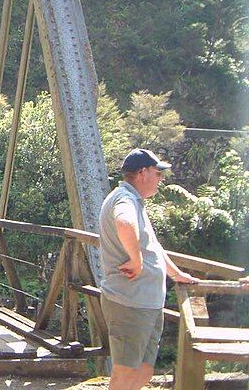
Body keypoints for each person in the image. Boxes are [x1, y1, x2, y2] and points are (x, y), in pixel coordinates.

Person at [99, 148, 200, 390]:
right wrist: (135, 259)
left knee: (144, 372)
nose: (161, 179)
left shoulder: (135, 201)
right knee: (125, 372)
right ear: (142, 173)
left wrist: (175, 274)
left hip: (146, 302)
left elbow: (153, 247)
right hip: (130, 301)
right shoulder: (124, 199)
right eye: (158, 173)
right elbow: (124, 223)